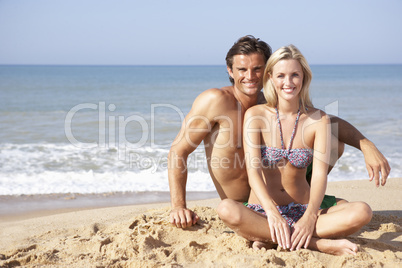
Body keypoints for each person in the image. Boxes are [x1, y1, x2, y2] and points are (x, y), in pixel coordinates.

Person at [168, 35, 390, 229]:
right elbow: (179, 151)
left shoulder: (271, 103)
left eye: (257, 69)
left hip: (287, 195)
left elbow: (323, 121)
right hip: (246, 204)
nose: (250, 76)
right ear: (230, 71)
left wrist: (365, 144)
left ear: (268, 71)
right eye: (242, 70)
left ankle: (305, 204)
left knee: (333, 142)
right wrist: (178, 207)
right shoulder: (216, 101)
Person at [217, 44, 373, 255]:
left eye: (294, 75)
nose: (288, 82)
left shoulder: (319, 120)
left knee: (362, 211)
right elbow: (253, 172)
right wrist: (273, 213)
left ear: (304, 78)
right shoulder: (255, 116)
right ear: (271, 77)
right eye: (281, 75)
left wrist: (309, 217)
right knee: (226, 209)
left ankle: (271, 238)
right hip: (263, 212)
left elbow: (318, 175)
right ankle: (315, 244)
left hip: (303, 210)